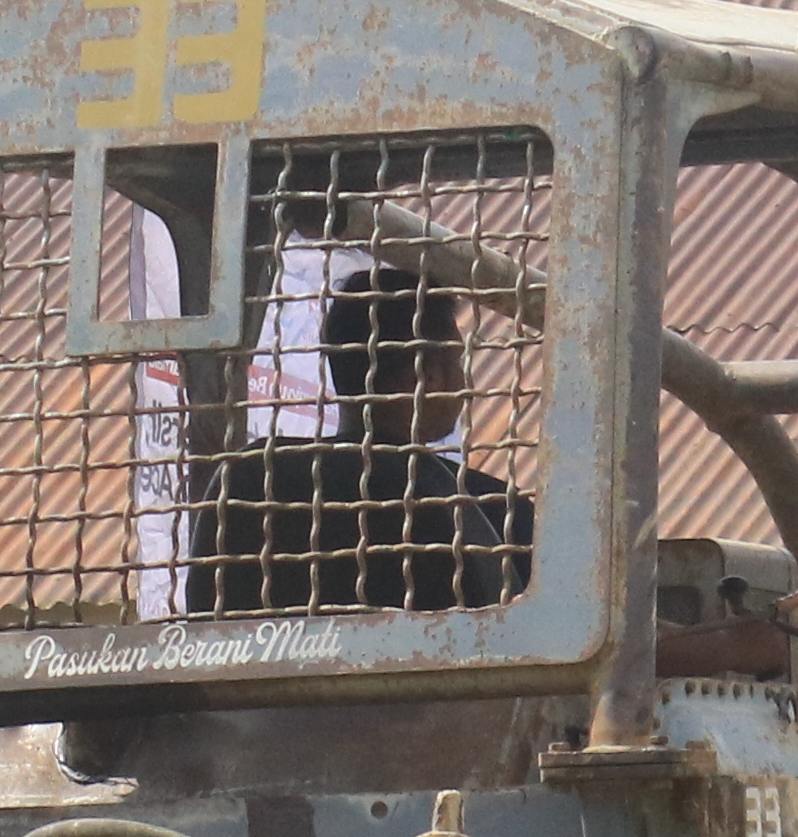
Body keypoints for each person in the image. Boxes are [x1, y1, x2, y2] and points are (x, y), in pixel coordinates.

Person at [180, 257, 539, 618]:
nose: (465, 385)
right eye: (457, 362)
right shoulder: (498, 512)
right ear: (427, 376)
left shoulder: (251, 481)